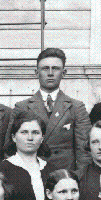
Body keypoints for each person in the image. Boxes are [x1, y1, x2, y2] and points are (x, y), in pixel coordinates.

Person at [12, 48, 92, 176]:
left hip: (64, 177)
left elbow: (85, 152)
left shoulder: (76, 108)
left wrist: (78, 179)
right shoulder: (22, 107)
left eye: (55, 68)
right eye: (45, 68)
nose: (50, 73)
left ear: (64, 73)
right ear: (36, 72)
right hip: (31, 175)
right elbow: (10, 149)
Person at [0, 111, 49, 200]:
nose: (30, 138)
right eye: (24, 132)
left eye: (35, 133)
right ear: (14, 137)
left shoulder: (51, 169)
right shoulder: (2, 170)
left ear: (42, 138)